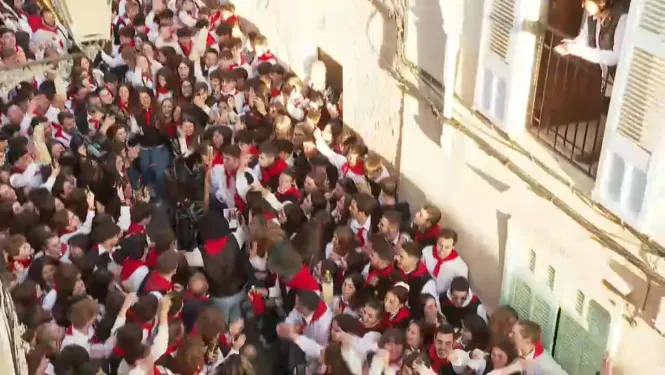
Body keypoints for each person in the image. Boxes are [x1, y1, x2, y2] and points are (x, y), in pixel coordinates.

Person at [554, 0, 628, 163]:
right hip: (607, 77)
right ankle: (596, 155)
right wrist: (570, 46)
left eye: (585, 1)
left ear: (600, 3)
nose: (582, 5)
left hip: (623, 79)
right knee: (605, 113)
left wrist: (580, 51)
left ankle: (602, 159)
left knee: (616, 121)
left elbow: (615, 56)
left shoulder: (620, 19)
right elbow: (583, 40)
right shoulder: (591, 17)